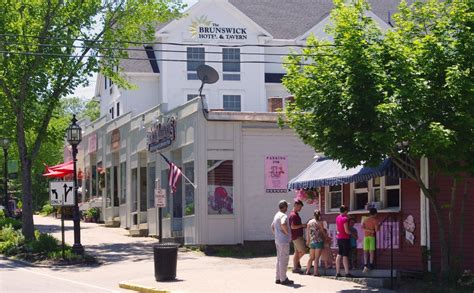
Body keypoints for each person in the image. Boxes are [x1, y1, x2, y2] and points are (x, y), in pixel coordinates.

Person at [271, 200, 294, 285]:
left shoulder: (276, 215)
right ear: (284, 207)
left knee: (279, 259)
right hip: (283, 241)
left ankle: (278, 278)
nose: (287, 208)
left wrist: (277, 234)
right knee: (284, 259)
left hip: (277, 240)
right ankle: (283, 279)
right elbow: (283, 224)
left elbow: (272, 227)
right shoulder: (283, 215)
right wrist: (287, 233)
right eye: (286, 206)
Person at [305, 209, 326, 276]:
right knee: (316, 258)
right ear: (319, 215)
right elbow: (322, 232)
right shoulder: (320, 222)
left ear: (314, 215)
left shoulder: (309, 222)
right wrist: (326, 237)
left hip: (312, 241)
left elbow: (307, 233)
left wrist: (307, 241)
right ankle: (315, 272)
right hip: (319, 241)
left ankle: (307, 271)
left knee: (311, 258)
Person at [335, 205, 354, 278]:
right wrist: (352, 234)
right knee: (345, 255)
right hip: (345, 238)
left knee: (339, 254)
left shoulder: (337, 217)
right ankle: (347, 272)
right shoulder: (345, 219)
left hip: (339, 238)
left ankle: (337, 272)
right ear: (345, 211)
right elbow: (347, 231)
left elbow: (337, 229)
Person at [289, 199, 306, 273]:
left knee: (297, 252)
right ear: (295, 205)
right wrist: (302, 225)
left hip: (296, 236)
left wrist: (302, 226)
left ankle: (295, 268)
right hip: (296, 236)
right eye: (300, 207)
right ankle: (295, 265)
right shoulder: (293, 215)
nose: (300, 209)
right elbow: (293, 227)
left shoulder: (295, 214)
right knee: (303, 251)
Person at [362, 207, 379, 272]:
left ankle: (365, 264)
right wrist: (373, 229)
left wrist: (368, 230)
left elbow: (362, 228)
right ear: (375, 214)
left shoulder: (365, 219)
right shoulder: (375, 220)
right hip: (371, 237)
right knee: (371, 251)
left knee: (365, 251)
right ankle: (371, 264)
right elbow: (376, 230)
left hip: (365, 236)